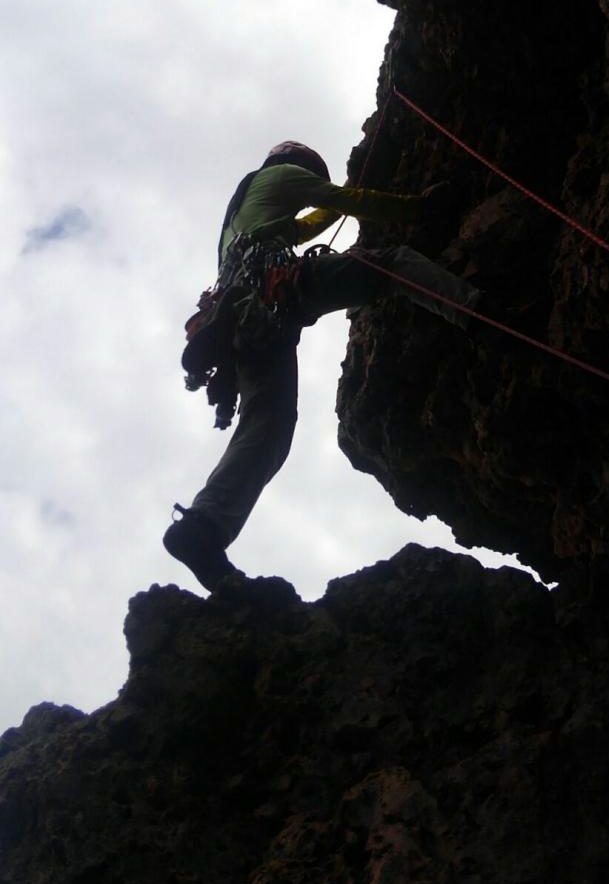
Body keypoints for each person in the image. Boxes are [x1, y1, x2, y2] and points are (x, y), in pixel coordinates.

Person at [163, 140, 489, 591]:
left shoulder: (240, 213)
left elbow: (310, 223)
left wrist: (338, 199)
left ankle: (204, 527)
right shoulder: (283, 175)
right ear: (297, 164)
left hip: (241, 318)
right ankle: (479, 313)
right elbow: (347, 201)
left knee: (268, 427)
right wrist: (418, 208)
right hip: (277, 290)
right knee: (392, 265)